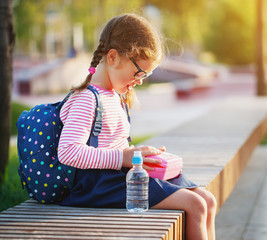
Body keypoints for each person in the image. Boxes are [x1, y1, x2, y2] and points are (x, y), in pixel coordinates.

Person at [57, 13, 217, 240]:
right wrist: (123, 158)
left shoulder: (115, 95)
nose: (140, 81)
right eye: (138, 72)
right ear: (112, 57)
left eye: (146, 75)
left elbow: (116, 145)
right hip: (97, 185)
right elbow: (68, 152)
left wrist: (141, 155)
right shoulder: (86, 99)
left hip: (120, 176)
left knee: (208, 200)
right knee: (195, 205)